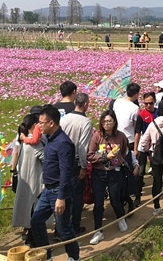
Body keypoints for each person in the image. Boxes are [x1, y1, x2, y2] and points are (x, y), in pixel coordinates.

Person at [30, 105, 80, 261]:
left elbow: (66, 172)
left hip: (59, 191)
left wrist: (61, 197)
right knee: (36, 221)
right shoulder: (50, 140)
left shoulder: (63, 143)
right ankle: (47, 256)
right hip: (48, 190)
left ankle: (74, 257)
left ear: (51, 123)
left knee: (63, 228)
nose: (39, 125)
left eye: (41, 122)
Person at [87, 110, 135, 245]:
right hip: (99, 173)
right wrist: (104, 157)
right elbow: (89, 155)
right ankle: (98, 231)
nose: (106, 123)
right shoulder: (97, 136)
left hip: (115, 172)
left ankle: (121, 219)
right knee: (98, 203)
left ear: (114, 122)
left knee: (115, 199)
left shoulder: (121, 136)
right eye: (104, 121)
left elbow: (125, 151)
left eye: (109, 121)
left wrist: (119, 161)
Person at [59, 92, 93, 235]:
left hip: (62, 160)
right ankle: (75, 225)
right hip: (76, 161)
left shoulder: (64, 119)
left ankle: (60, 227)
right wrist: (84, 167)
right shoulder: (85, 122)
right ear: (85, 104)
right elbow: (82, 146)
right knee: (77, 196)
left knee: (63, 193)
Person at [11, 113, 45, 246]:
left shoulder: (22, 139)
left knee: (27, 208)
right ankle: (34, 239)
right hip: (35, 179)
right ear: (34, 126)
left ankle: (29, 236)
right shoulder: (35, 143)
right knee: (35, 210)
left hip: (24, 178)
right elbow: (46, 159)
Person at [133, 91, 157, 207]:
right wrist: (135, 148)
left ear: (154, 102)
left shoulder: (158, 113)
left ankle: (156, 194)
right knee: (140, 172)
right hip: (143, 145)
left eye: (150, 103)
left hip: (155, 146)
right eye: (146, 103)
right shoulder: (141, 115)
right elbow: (137, 132)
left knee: (156, 170)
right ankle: (137, 196)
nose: (148, 106)